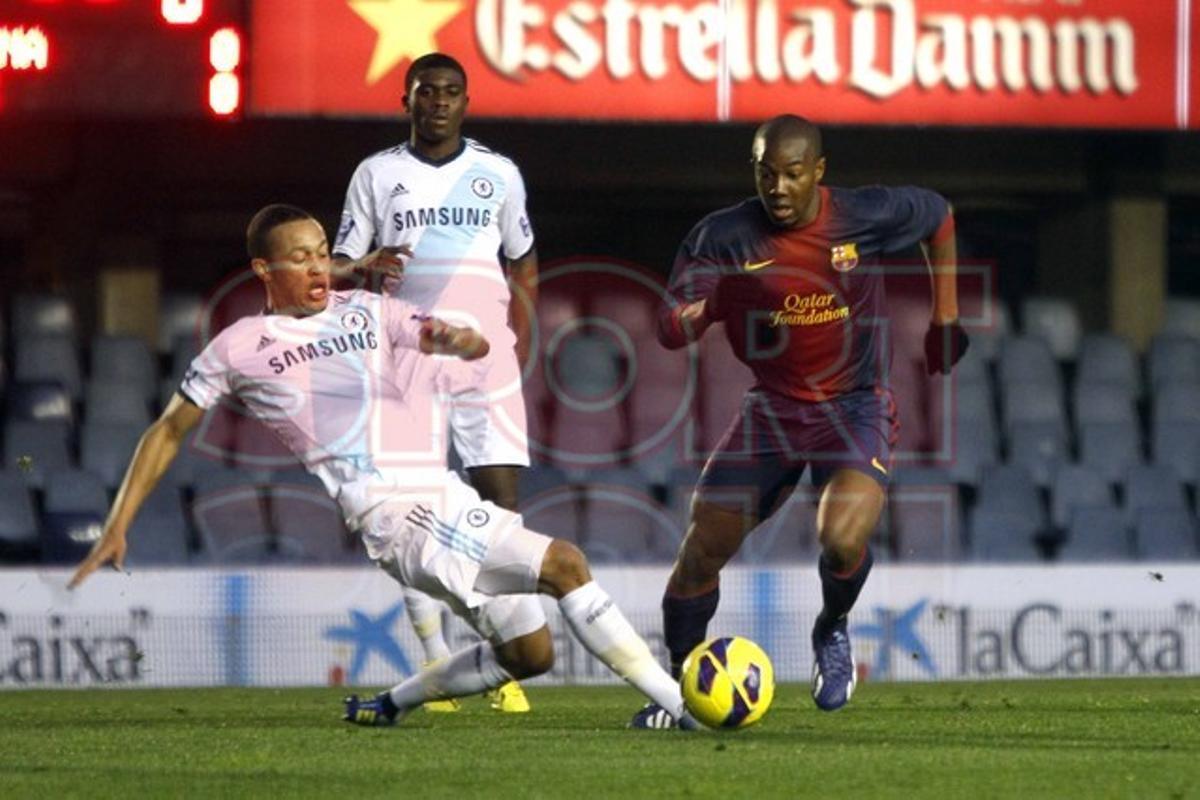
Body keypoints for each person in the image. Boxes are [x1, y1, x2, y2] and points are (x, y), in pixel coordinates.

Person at [68, 205, 698, 731]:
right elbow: (169, 429)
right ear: (263, 268)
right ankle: (681, 708)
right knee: (565, 564)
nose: (317, 265)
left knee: (530, 654)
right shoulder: (240, 347)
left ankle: (389, 705)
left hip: (442, 493)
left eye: (322, 252)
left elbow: (438, 334)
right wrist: (119, 523)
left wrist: (460, 340)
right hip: (397, 514)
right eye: (299, 256)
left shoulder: (367, 312)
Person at [631, 115, 970, 728]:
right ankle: (675, 690)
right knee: (700, 551)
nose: (779, 188)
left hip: (856, 403)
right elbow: (666, 326)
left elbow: (939, 216)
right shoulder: (724, 236)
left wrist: (946, 319)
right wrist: (711, 308)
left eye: (792, 174)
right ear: (754, 172)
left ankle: (832, 627)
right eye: (767, 175)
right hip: (774, 411)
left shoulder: (861, 215)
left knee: (841, 538)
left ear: (818, 170)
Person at [332, 52, 537, 713]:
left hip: (485, 364)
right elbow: (334, 267)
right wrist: (364, 263)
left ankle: (505, 667)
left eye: (451, 92)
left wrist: (518, 345)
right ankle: (434, 661)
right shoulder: (377, 174)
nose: (439, 102)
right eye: (427, 91)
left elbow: (524, 263)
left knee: (501, 509)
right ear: (407, 100)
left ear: (466, 102)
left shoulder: (499, 174)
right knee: (412, 511)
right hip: (406, 360)